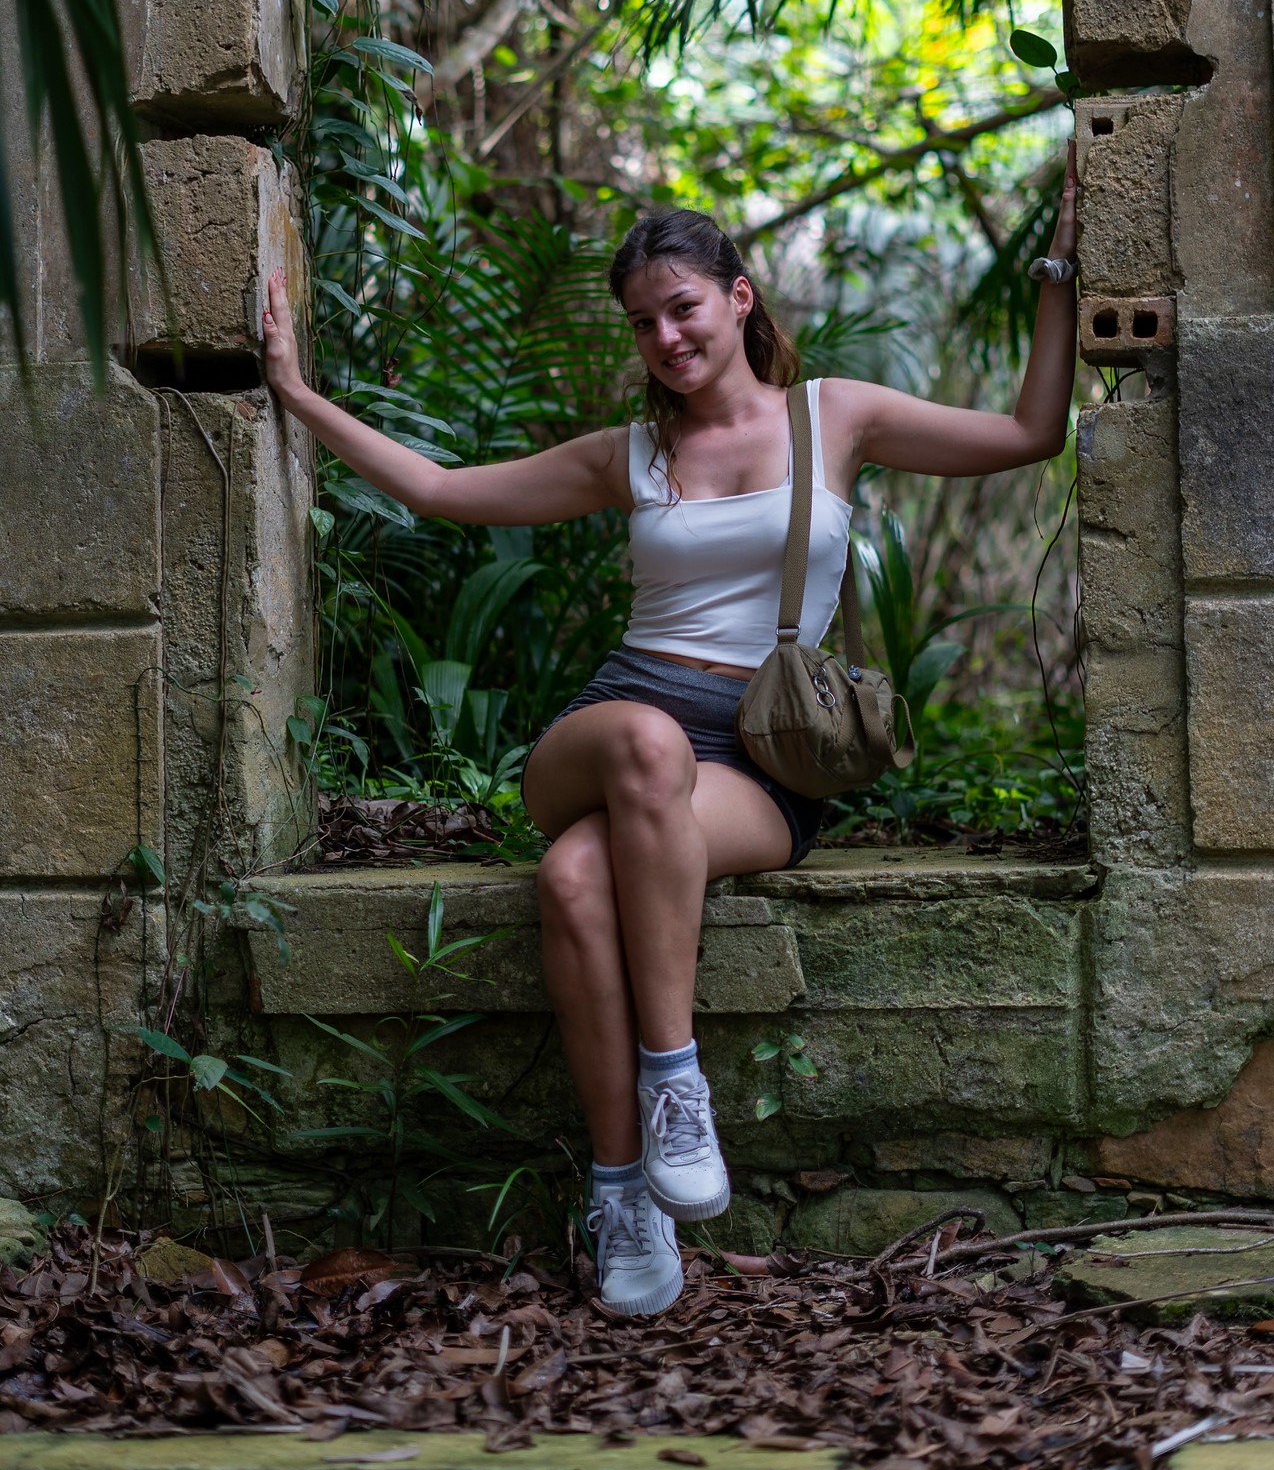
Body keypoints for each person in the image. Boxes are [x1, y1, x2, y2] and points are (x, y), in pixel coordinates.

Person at [261, 149, 1078, 1318]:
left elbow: (1027, 430)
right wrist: (295, 391)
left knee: (575, 876)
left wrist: (1057, 272)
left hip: (761, 755)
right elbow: (442, 489)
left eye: (682, 308)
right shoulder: (629, 454)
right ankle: (674, 1082)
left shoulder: (833, 414)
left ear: (738, 298)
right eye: (643, 323)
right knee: (642, 744)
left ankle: (621, 1190)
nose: (667, 338)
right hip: (613, 723)